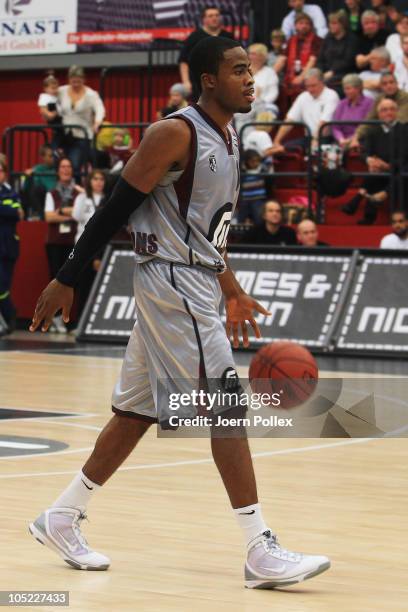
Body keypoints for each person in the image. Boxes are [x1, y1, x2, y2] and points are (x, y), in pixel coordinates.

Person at [28, 36, 330, 587]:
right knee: (224, 409)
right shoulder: (174, 132)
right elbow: (114, 209)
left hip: (192, 279)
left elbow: (205, 233)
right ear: (208, 79)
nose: (251, 78)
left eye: (251, 69)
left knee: (137, 411)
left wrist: (232, 289)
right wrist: (67, 277)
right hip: (170, 282)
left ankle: (62, 515)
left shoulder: (232, 135)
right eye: (238, 70)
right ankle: (259, 547)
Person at [343, 98, 408, 224]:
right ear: (379, 114)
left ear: (396, 112)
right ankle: (368, 214)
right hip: (380, 170)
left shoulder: (405, 130)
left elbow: (405, 155)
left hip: (400, 168)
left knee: (400, 174)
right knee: (374, 173)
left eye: (391, 109)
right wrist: (369, 160)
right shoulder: (373, 130)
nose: (388, 112)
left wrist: (388, 166)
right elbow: (364, 151)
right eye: (384, 110)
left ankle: (361, 197)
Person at [44, 157, 82, 332]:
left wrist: (62, 212)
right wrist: (69, 214)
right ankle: (55, 318)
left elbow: (81, 213)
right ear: (58, 170)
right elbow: (49, 217)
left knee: (73, 281)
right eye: (63, 167)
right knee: (55, 279)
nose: (66, 170)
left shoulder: (79, 191)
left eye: (69, 166)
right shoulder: (51, 193)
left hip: (73, 242)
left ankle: (69, 319)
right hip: (55, 242)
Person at [273, 69, 339, 152]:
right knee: (281, 149)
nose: (310, 89)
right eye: (307, 86)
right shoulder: (303, 97)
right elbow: (289, 121)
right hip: (308, 138)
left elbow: (324, 124)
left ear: (322, 82)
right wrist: (276, 141)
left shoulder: (331, 95)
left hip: (326, 138)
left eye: (313, 85)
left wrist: (315, 141)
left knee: (285, 149)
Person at [58, 65, 105, 180]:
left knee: (74, 165)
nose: (76, 84)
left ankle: (76, 191)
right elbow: (49, 99)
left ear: (83, 79)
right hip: (63, 135)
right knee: (60, 163)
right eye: (73, 81)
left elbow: (100, 109)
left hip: (82, 136)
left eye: (78, 81)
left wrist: (97, 122)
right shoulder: (61, 91)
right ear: (69, 79)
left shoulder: (91, 94)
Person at [72, 170, 106, 317]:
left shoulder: (108, 198)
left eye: (101, 179)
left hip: (101, 247)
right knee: (84, 285)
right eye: (95, 179)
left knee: (99, 286)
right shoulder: (83, 197)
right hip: (83, 246)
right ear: (90, 182)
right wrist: (84, 195)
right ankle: (80, 321)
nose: (98, 182)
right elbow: (76, 216)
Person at [178, 5, 234, 97]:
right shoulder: (195, 37)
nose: (214, 18)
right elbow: (183, 61)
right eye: (210, 16)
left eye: (217, 15)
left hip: (223, 81)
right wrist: (186, 82)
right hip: (200, 83)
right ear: (204, 19)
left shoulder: (228, 36)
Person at [352, 71, 408, 145]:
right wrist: (356, 137)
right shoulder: (380, 98)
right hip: (383, 133)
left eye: (391, 82)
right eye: (385, 84)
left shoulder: (405, 97)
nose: (389, 86)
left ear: (397, 84)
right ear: (381, 87)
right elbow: (369, 119)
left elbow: (400, 121)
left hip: (402, 135)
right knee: (351, 145)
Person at [0, 158, 24, 331]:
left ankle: (8, 318)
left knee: (4, 283)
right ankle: (9, 315)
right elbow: (10, 211)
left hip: (8, 246)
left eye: (0, 170)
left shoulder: (11, 192)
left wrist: (9, 211)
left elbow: (17, 213)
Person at [282, 12, 323, 103]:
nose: (304, 26)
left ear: (311, 26)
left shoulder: (317, 40)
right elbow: (283, 58)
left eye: (307, 24)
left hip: (308, 76)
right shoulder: (291, 40)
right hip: (290, 76)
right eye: (301, 23)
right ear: (295, 26)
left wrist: (301, 77)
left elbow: (313, 61)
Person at [316, 11, 358, 93]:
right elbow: (320, 59)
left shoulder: (352, 39)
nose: (331, 26)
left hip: (343, 73)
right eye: (330, 23)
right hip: (326, 73)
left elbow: (348, 61)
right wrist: (320, 72)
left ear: (343, 24)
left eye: (334, 23)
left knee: (328, 85)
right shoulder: (328, 38)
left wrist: (332, 71)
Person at [332, 74, 374, 148]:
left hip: (361, 141)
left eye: (348, 89)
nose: (345, 92)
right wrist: (341, 139)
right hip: (342, 142)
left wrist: (351, 139)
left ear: (358, 89)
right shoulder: (342, 103)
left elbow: (367, 126)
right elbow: (335, 126)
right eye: (344, 89)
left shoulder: (369, 103)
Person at [22, 144, 58, 219]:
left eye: (54, 156)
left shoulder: (58, 169)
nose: (53, 158)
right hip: (43, 198)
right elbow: (25, 189)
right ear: (43, 157)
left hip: (56, 197)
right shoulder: (37, 169)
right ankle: (41, 216)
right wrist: (28, 177)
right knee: (35, 190)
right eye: (50, 156)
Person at [238, 150, 268, 225]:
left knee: (259, 219)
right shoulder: (242, 171)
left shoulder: (262, 170)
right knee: (241, 220)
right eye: (252, 161)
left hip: (258, 199)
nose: (255, 163)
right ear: (247, 161)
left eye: (257, 161)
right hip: (245, 199)